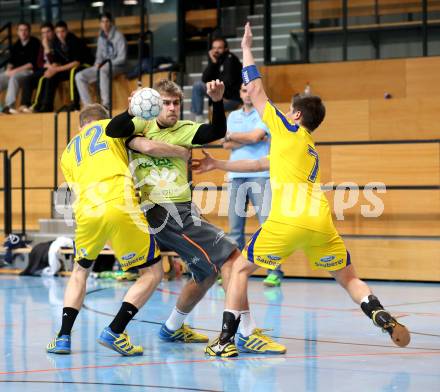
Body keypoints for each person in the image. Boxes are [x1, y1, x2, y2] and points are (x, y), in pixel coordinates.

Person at [201, 22, 410, 357]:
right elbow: (258, 165)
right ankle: (378, 312)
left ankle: (225, 340)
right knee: (349, 278)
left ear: (295, 115)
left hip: (288, 219)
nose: (283, 113)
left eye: (288, 110)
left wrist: (248, 48)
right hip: (320, 223)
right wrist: (218, 165)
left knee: (239, 268)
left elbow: (254, 90)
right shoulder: (307, 147)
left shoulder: (286, 129)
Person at [106, 79, 286, 356]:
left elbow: (216, 130)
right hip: (161, 211)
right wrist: (133, 110)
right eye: (166, 103)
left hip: (182, 210)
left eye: (176, 103)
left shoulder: (185, 129)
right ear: (155, 105)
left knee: (207, 272)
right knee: (232, 257)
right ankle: (246, 332)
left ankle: (172, 327)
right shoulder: (141, 125)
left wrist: (216, 100)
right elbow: (114, 129)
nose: (172, 108)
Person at [46, 103, 191, 356]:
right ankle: (115, 330)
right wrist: (181, 152)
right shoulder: (113, 127)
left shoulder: (68, 151)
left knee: (80, 271)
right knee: (152, 273)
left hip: (86, 210)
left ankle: (63, 337)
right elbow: (146, 144)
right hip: (119, 201)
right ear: (105, 119)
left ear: (81, 125)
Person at [222, 83, 284, 287]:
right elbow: (226, 144)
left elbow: (256, 136)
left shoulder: (264, 113)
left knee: (267, 225)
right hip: (235, 175)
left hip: (261, 175)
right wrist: (249, 138)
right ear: (239, 94)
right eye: (243, 90)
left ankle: (274, 271)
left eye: (249, 89)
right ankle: (234, 273)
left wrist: (236, 136)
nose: (247, 93)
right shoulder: (232, 116)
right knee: (235, 230)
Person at [34, 20, 91, 112]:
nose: (60, 34)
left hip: (86, 65)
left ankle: (75, 103)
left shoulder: (74, 41)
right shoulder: (56, 43)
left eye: (62, 31)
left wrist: (57, 69)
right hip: (68, 67)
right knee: (51, 76)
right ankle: (47, 105)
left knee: (74, 72)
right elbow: (56, 61)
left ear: (67, 31)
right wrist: (52, 70)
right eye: (57, 32)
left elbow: (76, 62)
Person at [75, 12, 127, 109]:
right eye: (102, 22)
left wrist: (106, 64)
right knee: (79, 76)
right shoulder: (101, 37)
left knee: (103, 70)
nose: (105, 24)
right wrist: (97, 64)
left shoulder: (119, 36)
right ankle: (89, 107)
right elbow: (99, 55)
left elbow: (122, 58)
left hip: (117, 66)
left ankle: (106, 105)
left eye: (107, 21)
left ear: (111, 23)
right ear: (100, 24)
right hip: (103, 66)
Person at [191, 37, 242, 122]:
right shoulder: (217, 60)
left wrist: (222, 96)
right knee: (198, 85)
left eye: (219, 48)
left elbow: (228, 82)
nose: (216, 50)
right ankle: (199, 119)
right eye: (214, 48)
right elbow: (204, 79)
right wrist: (213, 63)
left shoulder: (231, 59)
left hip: (231, 99)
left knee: (214, 104)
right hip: (219, 94)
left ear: (226, 49)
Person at [0, 22, 40, 114]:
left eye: (25, 30)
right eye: (21, 30)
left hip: (29, 72)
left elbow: (31, 64)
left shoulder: (35, 42)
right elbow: (11, 62)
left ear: (29, 31)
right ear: (17, 32)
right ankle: (1, 109)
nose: (23, 32)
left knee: (14, 78)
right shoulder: (16, 44)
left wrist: (13, 71)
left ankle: (9, 107)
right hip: (15, 71)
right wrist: (8, 70)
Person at [18, 22, 55, 113]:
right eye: (43, 33)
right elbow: (38, 62)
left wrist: (47, 47)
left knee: (44, 79)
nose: (45, 35)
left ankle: (38, 106)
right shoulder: (42, 43)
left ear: (52, 32)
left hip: (54, 70)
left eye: (48, 32)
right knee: (28, 79)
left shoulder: (56, 43)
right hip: (43, 68)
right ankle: (25, 104)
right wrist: (44, 65)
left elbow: (54, 62)